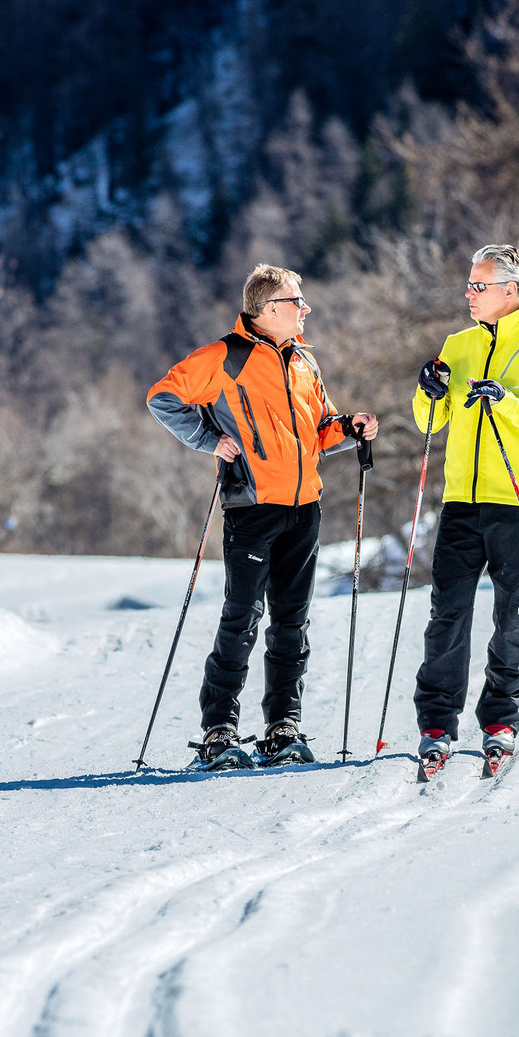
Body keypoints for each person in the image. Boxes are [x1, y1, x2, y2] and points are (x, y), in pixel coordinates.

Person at [147, 265, 377, 764]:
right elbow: (162, 398)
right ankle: (219, 733)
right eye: (298, 302)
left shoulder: (303, 364)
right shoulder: (225, 357)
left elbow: (320, 429)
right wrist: (210, 440)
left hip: (304, 508)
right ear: (270, 309)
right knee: (242, 618)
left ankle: (282, 727)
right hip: (252, 506)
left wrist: (351, 428)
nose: (305, 310)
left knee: (292, 621)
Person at [409, 243, 519, 773]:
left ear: (511, 291)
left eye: (478, 286)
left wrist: (507, 400)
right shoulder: (456, 344)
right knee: (447, 614)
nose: (469, 293)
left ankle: (500, 720)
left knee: (514, 618)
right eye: (469, 284)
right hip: (461, 499)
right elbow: (428, 422)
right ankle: (437, 723)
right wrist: (428, 391)